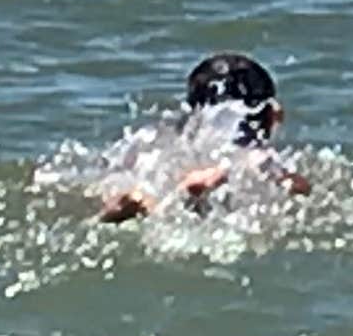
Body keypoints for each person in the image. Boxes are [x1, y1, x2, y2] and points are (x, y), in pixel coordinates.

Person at [95, 52, 315, 221]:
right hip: (223, 179)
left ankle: (139, 202)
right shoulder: (255, 152)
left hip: (151, 171)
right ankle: (191, 189)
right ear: (273, 113)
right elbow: (298, 188)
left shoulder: (153, 137)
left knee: (136, 191)